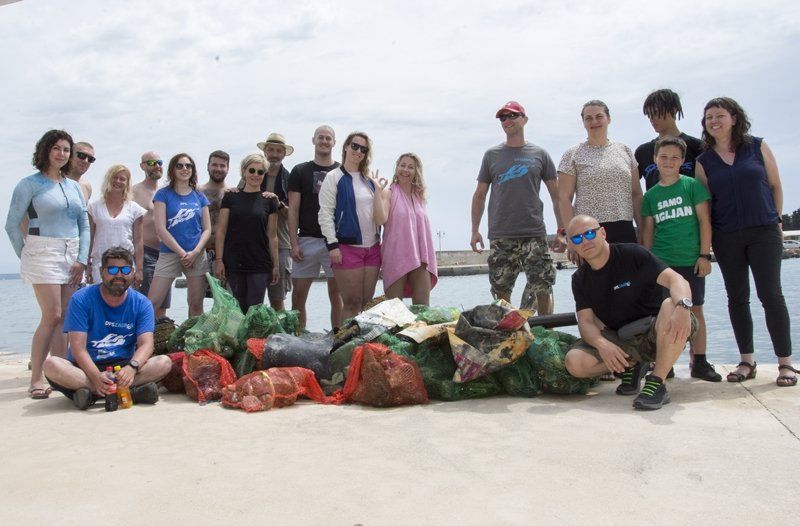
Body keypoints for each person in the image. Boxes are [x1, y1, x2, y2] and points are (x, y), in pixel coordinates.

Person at [695, 97, 797, 387]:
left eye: (720, 115)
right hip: (727, 237)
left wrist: (775, 220)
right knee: (737, 298)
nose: (714, 121)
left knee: (771, 296)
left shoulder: (756, 146)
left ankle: (785, 363)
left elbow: (775, 185)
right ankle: (747, 361)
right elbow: (706, 205)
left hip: (764, 231)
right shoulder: (703, 162)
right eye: (709, 117)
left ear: (734, 118)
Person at [563, 215, 696, 410]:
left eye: (590, 233)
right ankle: (633, 363)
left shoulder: (633, 254)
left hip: (657, 330)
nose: (585, 241)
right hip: (622, 338)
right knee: (574, 363)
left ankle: (657, 381)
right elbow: (586, 322)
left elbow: (676, 280)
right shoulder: (580, 279)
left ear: (603, 233)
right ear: (572, 246)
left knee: (670, 304)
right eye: (577, 238)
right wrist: (602, 345)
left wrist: (683, 307)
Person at [5, 129, 89, 399]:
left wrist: (82, 259)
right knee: (51, 315)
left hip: (72, 251)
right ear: (45, 150)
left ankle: (60, 373)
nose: (61, 154)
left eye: (66, 150)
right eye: (56, 148)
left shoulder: (74, 186)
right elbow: (11, 225)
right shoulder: (29, 184)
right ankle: (37, 377)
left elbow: (84, 225)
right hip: (42, 251)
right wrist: (26, 254)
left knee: (66, 317)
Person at [42, 247, 171, 410]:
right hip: (86, 366)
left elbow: (146, 344)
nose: (119, 275)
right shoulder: (81, 299)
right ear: (102, 272)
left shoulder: (142, 303)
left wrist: (132, 367)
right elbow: (77, 348)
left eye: (124, 270)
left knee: (164, 363)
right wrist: (95, 376)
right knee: (52, 365)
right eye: (112, 269)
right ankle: (125, 392)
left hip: (123, 366)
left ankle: (91, 394)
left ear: (132, 272)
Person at [640, 136, 721, 382]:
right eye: (663, 157)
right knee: (663, 312)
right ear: (655, 160)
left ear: (682, 161)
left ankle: (700, 360)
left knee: (695, 309)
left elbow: (704, 221)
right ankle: (666, 362)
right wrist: (649, 264)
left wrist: (704, 255)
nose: (669, 161)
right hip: (663, 264)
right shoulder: (650, 196)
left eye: (675, 157)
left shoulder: (692, 186)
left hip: (690, 260)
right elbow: (648, 233)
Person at [470, 101, 562, 314]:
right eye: (503, 117)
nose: (508, 120)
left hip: (534, 234)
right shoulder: (491, 155)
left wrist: (562, 230)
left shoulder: (540, 154)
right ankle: (509, 335)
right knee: (501, 290)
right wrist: (475, 230)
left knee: (542, 287)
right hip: (501, 235)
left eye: (513, 115)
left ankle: (545, 332)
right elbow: (480, 195)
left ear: (524, 119)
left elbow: (556, 196)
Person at [558, 100, 643, 247]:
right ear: (583, 122)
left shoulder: (625, 150)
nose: (594, 122)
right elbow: (564, 198)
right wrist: (572, 238)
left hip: (625, 229)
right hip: (589, 233)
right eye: (588, 118)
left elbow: (636, 194)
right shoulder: (572, 154)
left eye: (599, 116)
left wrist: (642, 231)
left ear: (608, 119)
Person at [318, 131, 381, 321]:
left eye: (363, 149)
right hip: (346, 248)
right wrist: (332, 244)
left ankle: (362, 347)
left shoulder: (369, 180)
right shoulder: (333, 177)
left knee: (365, 303)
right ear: (346, 147)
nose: (358, 151)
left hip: (372, 248)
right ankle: (345, 346)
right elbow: (325, 213)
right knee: (352, 303)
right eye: (355, 146)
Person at [287, 125, 343, 330]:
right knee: (298, 296)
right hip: (307, 239)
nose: (324, 141)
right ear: (313, 140)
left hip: (334, 243)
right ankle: (299, 336)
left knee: (337, 296)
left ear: (334, 143)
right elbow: (293, 209)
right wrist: (294, 242)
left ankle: (337, 337)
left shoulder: (341, 172)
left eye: (329, 138)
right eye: (321, 137)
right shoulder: (300, 171)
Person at [147, 153, 211, 317]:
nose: (184, 169)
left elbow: (207, 229)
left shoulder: (199, 196)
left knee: (196, 305)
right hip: (170, 253)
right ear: (172, 170)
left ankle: (194, 342)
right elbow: (161, 229)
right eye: (180, 166)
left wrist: (195, 252)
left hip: (196, 255)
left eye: (188, 166)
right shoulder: (163, 194)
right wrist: (182, 253)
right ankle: (142, 340)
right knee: (152, 303)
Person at [215, 154, 279, 312]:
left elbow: (272, 236)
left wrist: (276, 265)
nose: (256, 175)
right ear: (244, 171)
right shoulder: (230, 196)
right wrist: (219, 260)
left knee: (254, 311)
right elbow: (221, 231)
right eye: (252, 170)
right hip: (234, 262)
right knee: (236, 310)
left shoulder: (270, 201)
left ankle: (252, 338)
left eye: (260, 172)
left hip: (260, 263)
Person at [373, 153, 438, 305]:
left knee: (423, 309)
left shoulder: (419, 196)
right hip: (396, 256)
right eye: (402, 165)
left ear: (416, 172)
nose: (405, 170)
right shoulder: (388, 192)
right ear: (396, 168)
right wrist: (377, 191)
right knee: (395, 309)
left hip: (421, 257)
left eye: (410, 167)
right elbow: (380, 219)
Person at [87, 165, 146, 286]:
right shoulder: (94, 207)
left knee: (124, 301)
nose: (118, 181)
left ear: (127, 183)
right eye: (114, 177)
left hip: (125, 267)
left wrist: (139, 270)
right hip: (100, 265)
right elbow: (89, 238)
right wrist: (87, 265)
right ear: (108, 179)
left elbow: (138, 241)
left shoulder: (135, 209)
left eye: (122, 179)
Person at [635, 89, 703, 190]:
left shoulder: (698, 146)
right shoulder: (643, 152)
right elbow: (631, 188)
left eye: (656, 112)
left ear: (674, 110)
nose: (652, 118)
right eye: (649, 114)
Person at [257, 133, 294, 311]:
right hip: (255, 243)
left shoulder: (291, 178)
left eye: (279, 151)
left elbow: (293, 216)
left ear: (284, 154)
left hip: (281, 243)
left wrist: (278, 203)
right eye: (270, 150)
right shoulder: (253, 173)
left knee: (277, 299)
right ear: (264, 151)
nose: (274, 154)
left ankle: (282, 338)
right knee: (252, 298)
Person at [132, 151, 171, 317]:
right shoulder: (134, 191)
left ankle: (159, 339)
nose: (157, 166)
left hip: (165, 253)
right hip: (145, 252)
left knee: (162, 304)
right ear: (142, 166)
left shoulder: (168, 191)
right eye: (152, 163)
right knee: (144, 302)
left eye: (160, 162)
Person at [199, 150, 230, 283]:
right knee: (196, 300)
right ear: (208, 166)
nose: (218, 169)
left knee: (227, 300)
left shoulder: (232, 193)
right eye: (214, 165)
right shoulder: (197, 192)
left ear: (228, 168)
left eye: (222, 166)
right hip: (200, 252)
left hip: (226, 254)